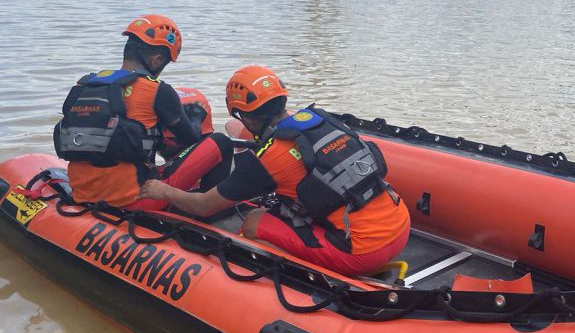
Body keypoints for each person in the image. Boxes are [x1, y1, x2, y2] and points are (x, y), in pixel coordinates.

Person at [139, 65, 411, 276]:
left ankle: (308, 281)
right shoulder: (324, 121)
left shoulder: (270, 156)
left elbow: (205, 206)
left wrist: (165, 190)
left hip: (362, 251)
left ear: (243, 116)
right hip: (401, 225)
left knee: (256, 221)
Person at [55, 15, 231, 208]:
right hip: (135, 198)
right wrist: (196, 118)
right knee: (220, 142)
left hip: (83, 194)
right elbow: (191, 139)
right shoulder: (158, 90)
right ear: (156, 60)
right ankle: (208, 210)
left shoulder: (85, 85)